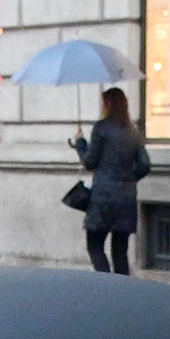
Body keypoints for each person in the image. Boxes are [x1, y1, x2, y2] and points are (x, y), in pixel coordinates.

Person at [70, 86, 150, 276]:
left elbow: (90, 162)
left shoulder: (101, 128)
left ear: (108, 104)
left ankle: (106, 285)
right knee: (120, 252)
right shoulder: (133, 132)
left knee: (95, 246)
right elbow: (145, 165)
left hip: (103, 198)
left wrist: (80, 144)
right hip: (126, 199)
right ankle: (123, 293)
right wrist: (129, 178)